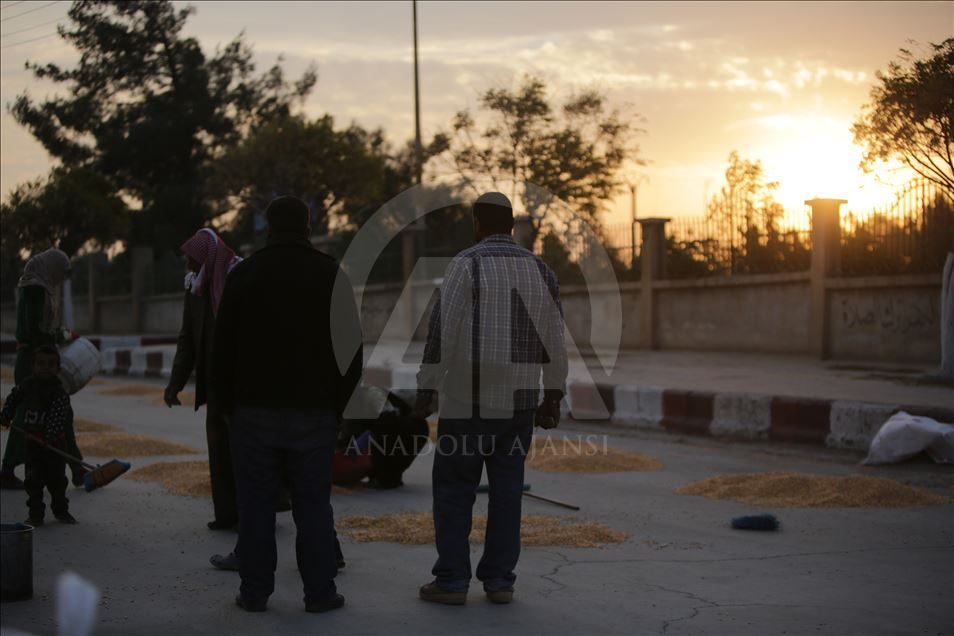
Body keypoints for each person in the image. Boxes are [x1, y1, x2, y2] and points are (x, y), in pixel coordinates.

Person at [413, 191, 567, 606]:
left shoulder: (467, 264)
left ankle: (451, 582)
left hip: (467, 401)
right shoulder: (542, 270)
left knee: (453, 490)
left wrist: (426, 388)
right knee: (506, 492)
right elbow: (555, 339)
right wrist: (552, 395)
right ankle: (499, 581)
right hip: (519, 403)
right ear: (512, 226)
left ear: (477, 224)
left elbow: (442, 331)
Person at [213, 195, 362, 613]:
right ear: (309, 227)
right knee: (313, 507)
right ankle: (319, 593)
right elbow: (352, 352)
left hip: (253, 414)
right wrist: (339, 407)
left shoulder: (246, 275)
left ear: (269, 228)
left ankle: (255, 592)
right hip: (314, 414)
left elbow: (221, 350)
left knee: (256, 507)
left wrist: (227, 408)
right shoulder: (331, 275)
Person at [164, 228, 242, 530]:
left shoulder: (238, 276)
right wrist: (175, 384)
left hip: (240, 384)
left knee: (245, 453)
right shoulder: (194, 289)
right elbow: (187, 338)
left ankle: (258, 510)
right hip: (213, 385)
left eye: (193, 260)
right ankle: (226, 514)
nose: (189, 266)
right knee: (219, 452)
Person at [1, 248, 86, 491]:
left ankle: (77, 467)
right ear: (51, 267)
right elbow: (35, 329)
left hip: (42, 359)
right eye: (61, 271)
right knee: (27, 415)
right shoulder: (35, 289)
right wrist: (62, 335)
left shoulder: (39, 287)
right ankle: (7, 470)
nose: (61, 277)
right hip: (34, 362)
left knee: (61, 410)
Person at [0, 345, 78, 525]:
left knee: (57, 482)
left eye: (51, 364)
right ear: (33, 366)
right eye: (41, 363)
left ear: (58, 369)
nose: (45, 367)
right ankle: (36, 514)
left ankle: (61, 511)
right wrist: (5, 416)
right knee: (33, 481)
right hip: (33, 446)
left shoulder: (59, 393)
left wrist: (49, 437)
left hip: (54, 447)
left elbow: (57, 418)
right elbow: (14, 398)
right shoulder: (28, 385)